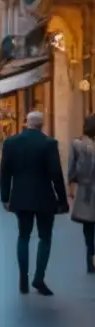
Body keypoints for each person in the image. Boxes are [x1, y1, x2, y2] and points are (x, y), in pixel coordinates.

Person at [0, 111, 68, 296]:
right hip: (44, 197)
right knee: (45, 237)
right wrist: (62, 199)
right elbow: (56, 173)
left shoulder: (11, 143)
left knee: (23, 236)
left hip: (20, 197)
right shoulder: (49, 144)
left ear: (26, 123)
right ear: (42, 125)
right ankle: (38, 278)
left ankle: (23, 276)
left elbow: (5, 172)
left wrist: (4, 197)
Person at [67, 114, 95, 274]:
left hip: (85, 191)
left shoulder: (77, 144)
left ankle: (89, 258)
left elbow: (71, 169)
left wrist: (70, 186)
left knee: (88, 227)